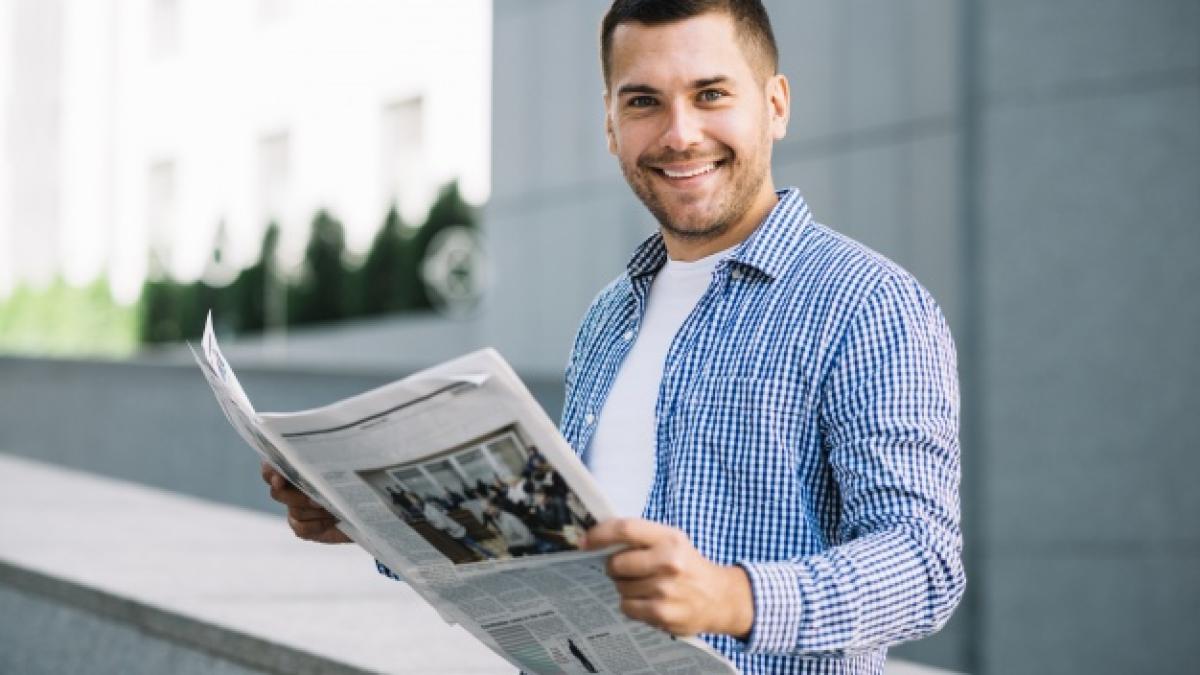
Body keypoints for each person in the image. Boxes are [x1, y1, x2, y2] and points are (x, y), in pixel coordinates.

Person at [262, 1, 964, 672]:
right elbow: (549, 551)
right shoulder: (609, 316)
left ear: (775, 104)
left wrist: (731, 596)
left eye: (712, 94)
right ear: (609, 124)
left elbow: (924, 563)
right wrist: (368, 514)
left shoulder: (871, 305)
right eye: (643, 101)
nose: (679, 133)